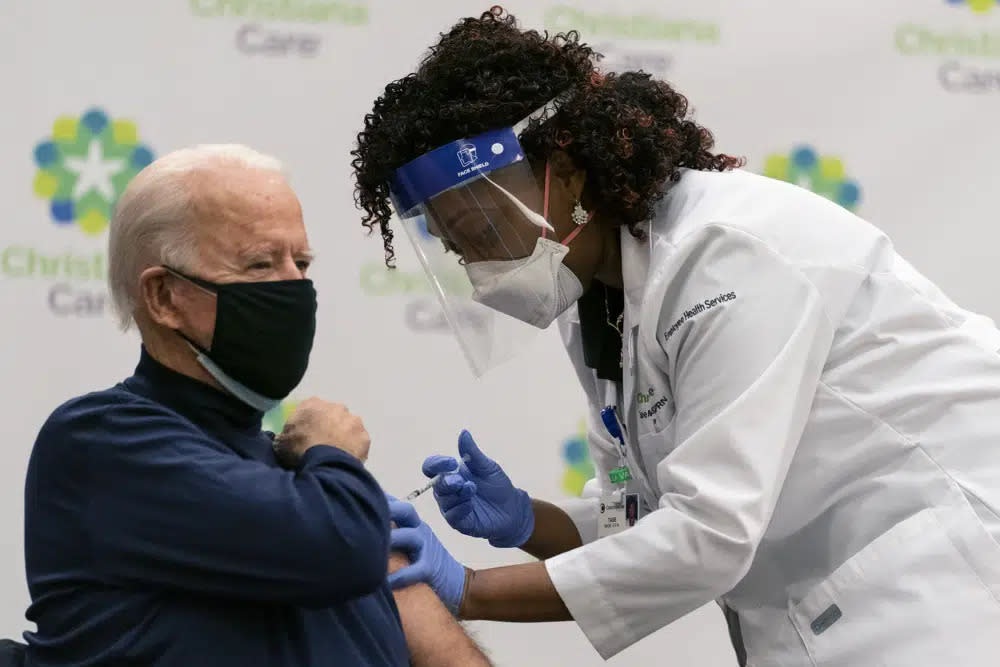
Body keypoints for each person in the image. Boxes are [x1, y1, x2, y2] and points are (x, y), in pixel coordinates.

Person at [352, 7, 1000, 666]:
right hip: (828, 605)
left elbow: (708, 535)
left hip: (939, 580)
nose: (483, 271)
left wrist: (469, 590)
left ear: (569, 172)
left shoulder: (721, 253)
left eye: (487, 232)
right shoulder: (606, 302)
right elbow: (642, 522)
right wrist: (527, 520)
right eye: (461, 250)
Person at [22, 145, 489, 666]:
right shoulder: (104, 441)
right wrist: (334, 459)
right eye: (261, 264)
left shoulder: (309, 479)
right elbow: (338, 549)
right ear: (164, 297)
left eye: (302, 262)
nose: (295, 286)